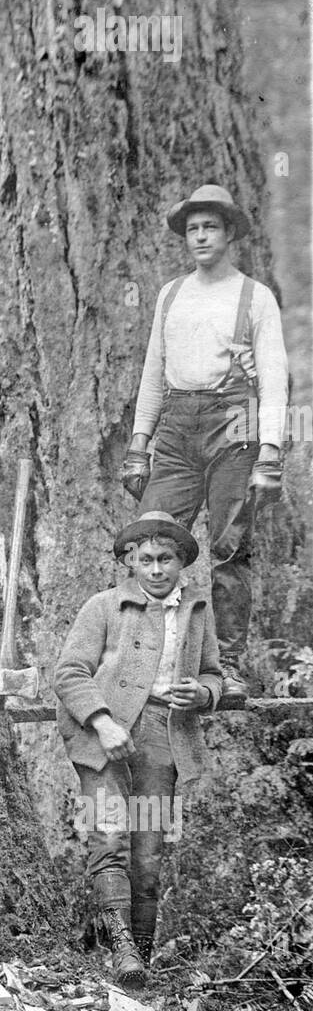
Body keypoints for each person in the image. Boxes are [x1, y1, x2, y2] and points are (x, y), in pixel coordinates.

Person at [120, 184, 289, 698]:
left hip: (234, 425)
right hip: (174, 426)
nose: (200, 237)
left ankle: (229, 668)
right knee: (150, 537)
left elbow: (275, 378)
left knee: (229, 549)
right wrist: (138, 444)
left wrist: (271, 452)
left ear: (229, 233)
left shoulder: (254, 296)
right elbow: (153, 373)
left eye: (209, 227)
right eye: (193, 229)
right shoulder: (171, 294)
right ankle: (138, 660)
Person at [53, 512, 223, 986]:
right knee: (109, 837)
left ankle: (142, 962)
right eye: (144, 559)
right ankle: (121, 952)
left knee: (147, 850)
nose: (154, 569)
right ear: (130, 561)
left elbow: (212, 670)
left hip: (160, 736)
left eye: (164, 559)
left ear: (181, 562)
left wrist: (203, 693)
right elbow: (69, 672)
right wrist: (102, 722)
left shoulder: (196, 610)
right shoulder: (105, 606)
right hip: (104, 735)